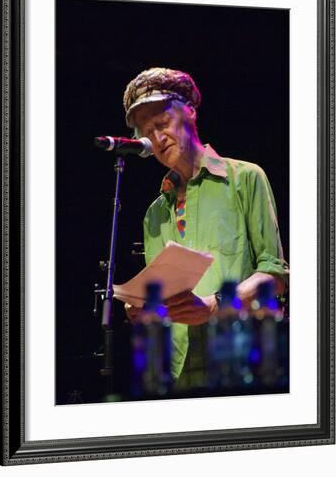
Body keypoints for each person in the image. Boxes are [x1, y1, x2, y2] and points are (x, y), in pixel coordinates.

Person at [122, 67, 289, 389]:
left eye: (161, 124)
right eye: (146, 132)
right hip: (176, 369)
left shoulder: (244, 178)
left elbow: (275, 275)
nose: (156, 139)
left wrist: (215, 304)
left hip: (239, 357)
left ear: (190, 111)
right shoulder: (154, 214)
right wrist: (142, 308)